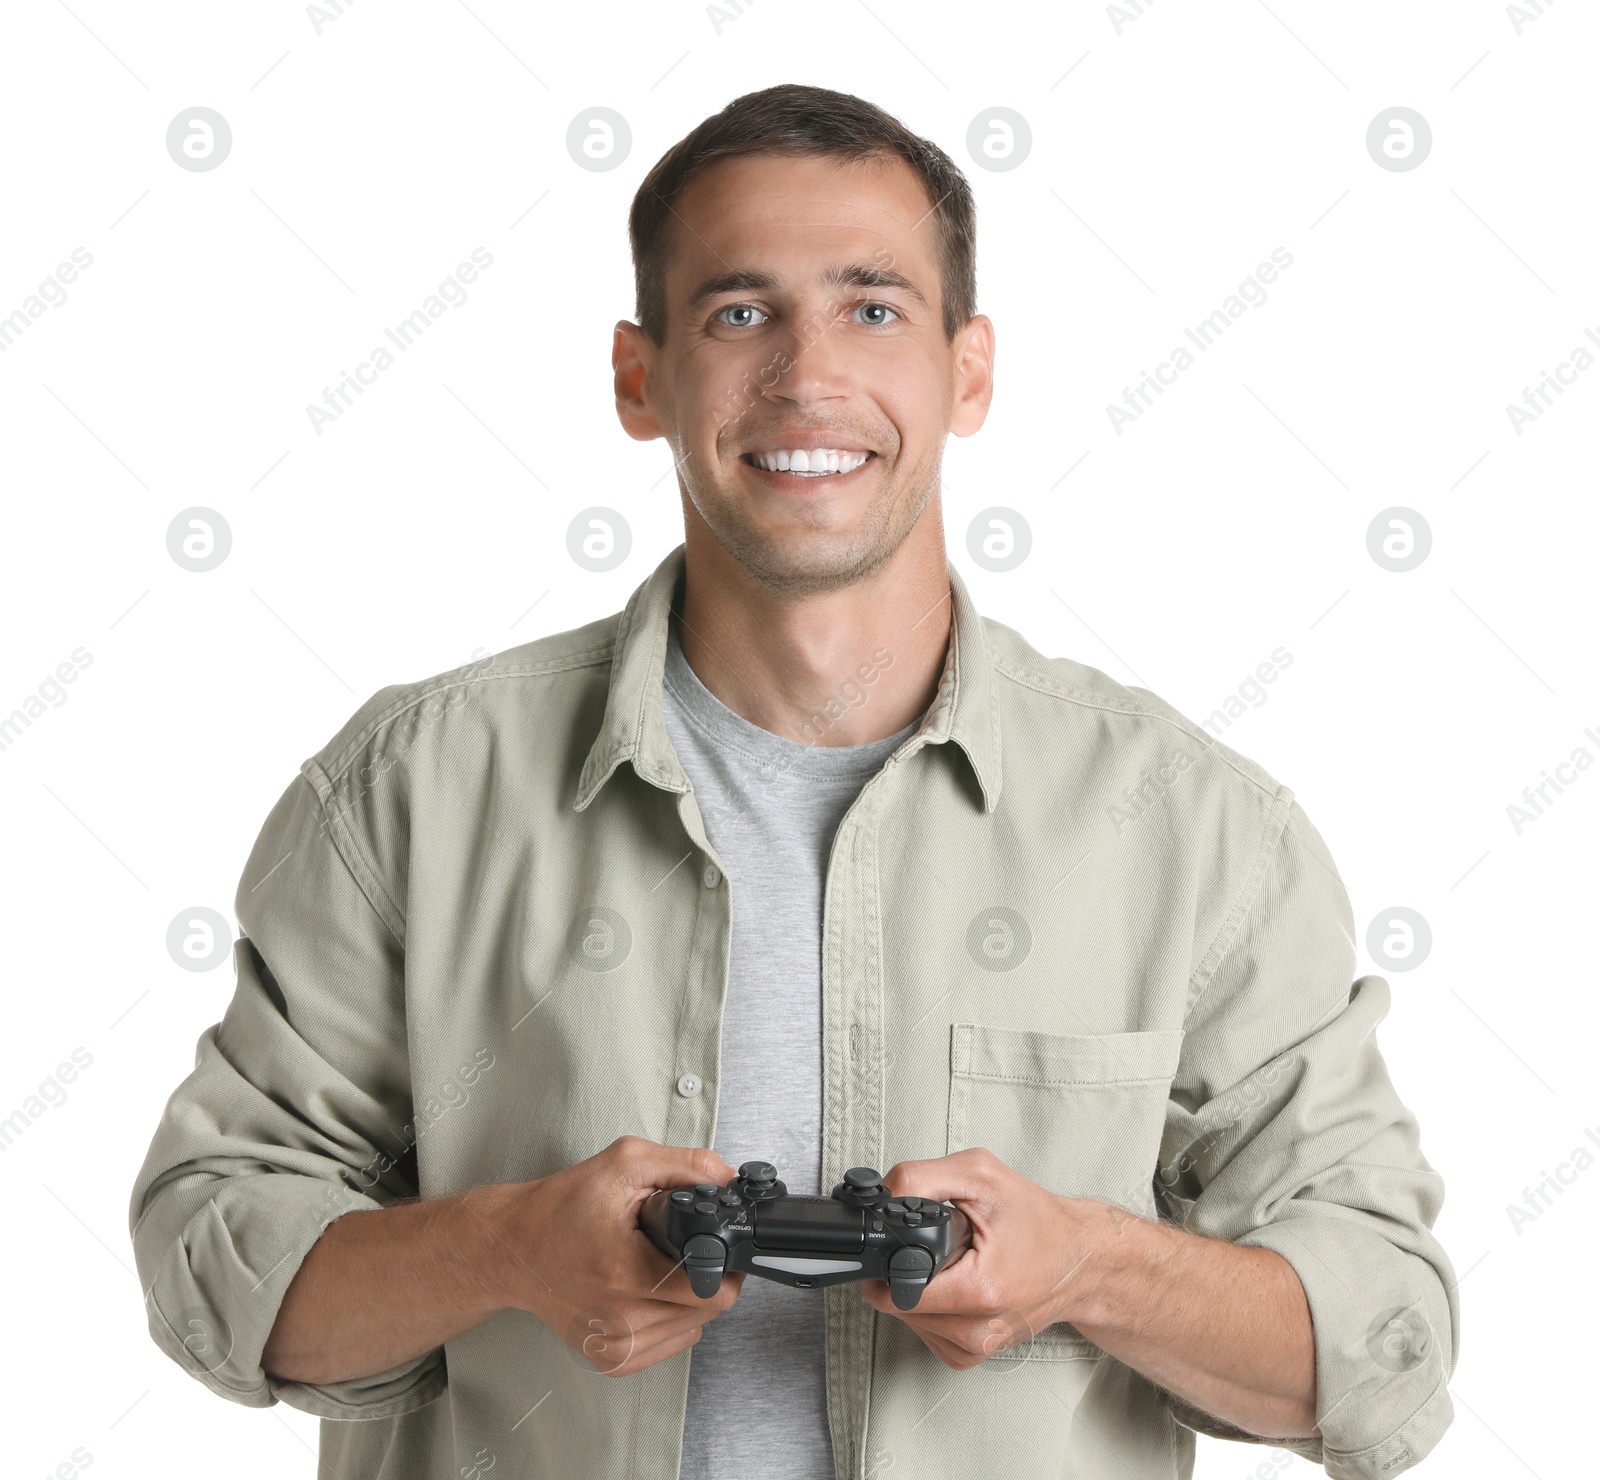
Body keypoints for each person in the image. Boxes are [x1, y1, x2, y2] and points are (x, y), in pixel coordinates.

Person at [130, 84, 1458, 1480]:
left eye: (874, 306)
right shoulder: (411, 794)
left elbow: (1386, 1347)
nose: (808, 374)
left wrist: (1087, 1269)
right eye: (739, 312)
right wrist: (509, 1247)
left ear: (972, 370)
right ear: (641, 378)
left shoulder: (1196, 835)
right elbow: (211, 1264)